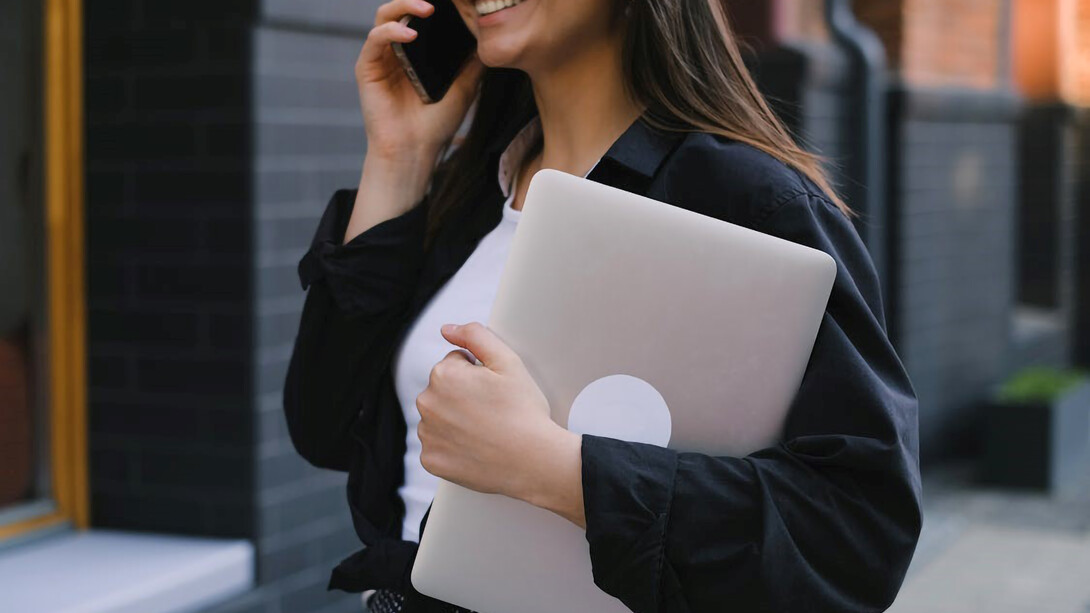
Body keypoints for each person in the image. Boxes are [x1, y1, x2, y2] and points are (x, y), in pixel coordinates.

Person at [283, 0, 923, 611]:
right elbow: (325, 427)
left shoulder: (747, 203)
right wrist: (401, 158)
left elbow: (855, 536)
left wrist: (553, 469)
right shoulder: (471, 193)